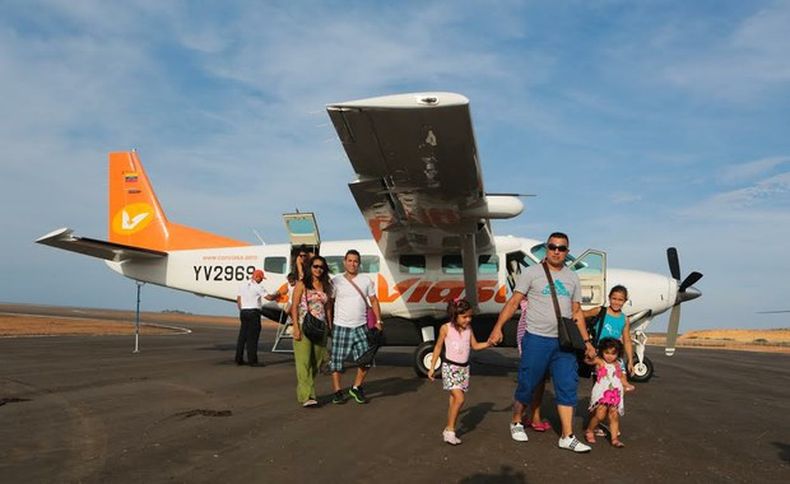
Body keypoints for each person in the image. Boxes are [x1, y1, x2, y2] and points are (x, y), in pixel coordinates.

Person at [488, 232, 597, 453]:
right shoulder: (531, 273)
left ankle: (567, 436)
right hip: (536, 339)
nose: (557, 251)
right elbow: (514, 302)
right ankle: (517, 421)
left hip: (564, 344)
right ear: (547, 249)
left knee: (567, 386)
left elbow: (576, 312)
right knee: (528, 383)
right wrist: (497, 328)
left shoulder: (572, 277)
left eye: (562, 248)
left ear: (567, 252)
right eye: (552, 246)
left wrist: (587, 342)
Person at [427, 298, 491, 445]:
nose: (468, 320)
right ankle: (450, 430)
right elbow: (437, 347)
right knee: (460, 399)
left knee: (453, 400)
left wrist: (488, 343)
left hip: (464, 369)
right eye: (464, 317)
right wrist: (432, 367)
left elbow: (475, 346)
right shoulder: (446, 328)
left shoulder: (469, 329)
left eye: (470, 316)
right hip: (450, 367)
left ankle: (449, 426)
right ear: (454, 315)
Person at [329, 249, 382, 405]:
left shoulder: (366, 280)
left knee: (366, 360)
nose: (352, 264)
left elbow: (374, 300)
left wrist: (379, 321)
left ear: (359, 263)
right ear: (344, 262)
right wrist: (329, 321)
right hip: (341, 325)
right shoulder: (336, 281)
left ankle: (357, 387)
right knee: (337, 361)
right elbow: (330, 303)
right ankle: (337, 391)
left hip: (361, 326)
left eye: (355, 261)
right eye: (350, 260)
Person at [290, 256, 333, 407]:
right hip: (304, 325)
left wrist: (330, 326)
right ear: (310, 267)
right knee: (303, 362)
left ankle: (304, 389)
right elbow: (294, 306)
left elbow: (328, 307)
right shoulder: (302, 284)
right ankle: (308, 396)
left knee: (317, 361)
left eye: (321, 267)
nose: (318, 269)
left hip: (320, 328)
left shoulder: (326, 285)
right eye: (315, 266)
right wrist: (295, 326)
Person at [583, 285, 635, 391]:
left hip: (615, 355)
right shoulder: (600, 311)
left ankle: (615, 404)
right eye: (614, 298)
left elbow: (627, 340)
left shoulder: (624, 319)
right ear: (609, 297)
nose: (616, 302)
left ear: (625, 301)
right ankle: (596, 406)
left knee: (617, 387)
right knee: (600, 387)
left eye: (620, 300)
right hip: (600, 354)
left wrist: (630, 360)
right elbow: (580, 315)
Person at [584, 338, 627, 448]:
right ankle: (590, 430)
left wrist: (626, 385)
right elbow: (587, 361)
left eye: (613, 353)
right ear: (602, 351)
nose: (609, 356)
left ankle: (614, 439)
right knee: (600, 414)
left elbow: (621, 377)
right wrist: (589, 355)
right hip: (602, 392)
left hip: (615, 392)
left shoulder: (618, 364)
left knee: (614, 414)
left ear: (618, 353)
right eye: (607, 352)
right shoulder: (600, 361)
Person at [516, 299, 551, 432]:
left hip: (543, 339)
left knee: (540, 381)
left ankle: (532, 416)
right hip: (531, 341)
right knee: (533, 380)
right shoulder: (528, 298)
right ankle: (525, 416)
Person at [236, 269, 280, 366]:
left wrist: (242, 309)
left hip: (244, 312)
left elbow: (238, 299)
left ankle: (239, 358)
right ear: (257, 277)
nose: (262, 280)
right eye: (261, 278)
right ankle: (252, 360)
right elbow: (268, 297)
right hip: (253, 313)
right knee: (253, 337)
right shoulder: (258, 287)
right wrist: (278, 295)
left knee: (242, 336)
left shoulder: (243, 285)